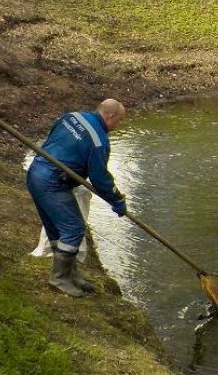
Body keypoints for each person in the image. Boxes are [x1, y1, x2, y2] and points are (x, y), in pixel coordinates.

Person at [26, 99, 128, 297]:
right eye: (120, 120)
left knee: (57, 228)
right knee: (74, 228)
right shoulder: (98, 141)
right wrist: (117, 200)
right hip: (52, 183)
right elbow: (100, 179)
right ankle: (59, 279)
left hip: (36, 172)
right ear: (110, 116)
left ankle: (71, 274)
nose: (118, 125)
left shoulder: (72, 117)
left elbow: (55, 140)